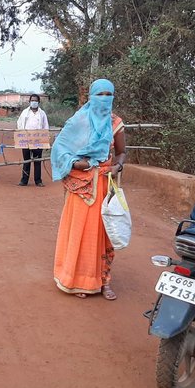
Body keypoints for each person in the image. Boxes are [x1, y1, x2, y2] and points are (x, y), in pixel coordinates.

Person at [51, 79, 126, 300]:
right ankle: (75, 280)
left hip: (103, 184)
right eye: (99, 94)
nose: (104, 99)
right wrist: (75, 163)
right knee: (79, 231)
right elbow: (59, 149)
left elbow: (122, 152)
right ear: (91, 97)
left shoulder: (116, 123)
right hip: (81, 185)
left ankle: (103, 281)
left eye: (108, 94)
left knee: (102, 233)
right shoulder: (79, 121)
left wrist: (117, 166)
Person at [16, 94, 49, 187]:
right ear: (29, 102)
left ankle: (38, 181)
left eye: (35, 101)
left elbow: (46, 126)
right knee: (26, 161)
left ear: (38, 102)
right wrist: (21, 135)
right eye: (32, 100)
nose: (34, 102)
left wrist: (45, 141)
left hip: (38, 140)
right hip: (26, 139)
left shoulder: (42, 113)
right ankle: (24, 180)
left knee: (37, 161)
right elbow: (19, 123)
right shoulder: (25, 112)